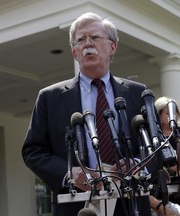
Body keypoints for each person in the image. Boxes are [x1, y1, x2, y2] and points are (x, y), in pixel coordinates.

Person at [22, 12, 153, 216]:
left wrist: (137, 164)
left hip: (131, 202)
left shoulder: (137, 93)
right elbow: (33, 151)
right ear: (75, 53)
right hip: (77, 205)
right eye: (81, 40)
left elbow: (157, 143)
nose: (87, 43)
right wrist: (68, 173)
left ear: (112, 47)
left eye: (95, 37)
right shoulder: (50, 97)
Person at [154, 96, 180, 216]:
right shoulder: (153, 137)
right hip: (162, 194)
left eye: (175, 112)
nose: (174, 115)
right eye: (168, 113)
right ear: (159, 115)